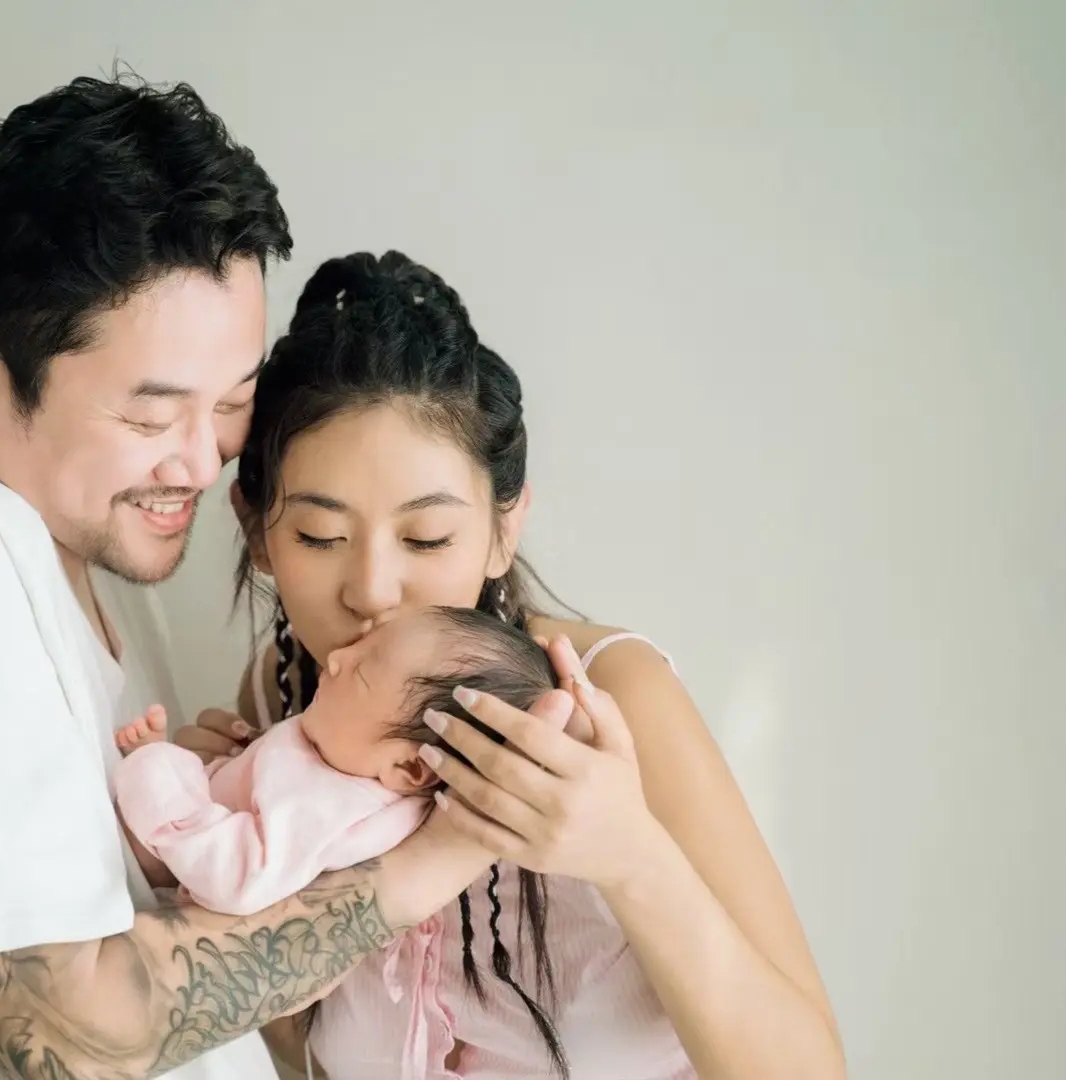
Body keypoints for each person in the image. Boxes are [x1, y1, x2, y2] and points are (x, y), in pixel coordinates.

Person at [0, 78, 520, 1080]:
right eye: (151, 416)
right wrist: (432, 858)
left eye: (231, 405)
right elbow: (70, 1040)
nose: (201, 464)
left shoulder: (61, 527)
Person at [176, 252, 846, 1079]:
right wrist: (205, 852)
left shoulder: (612, 696)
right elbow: (299, 1053)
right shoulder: (284, 700)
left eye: (427, 539)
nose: (374, 591)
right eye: (321, 537)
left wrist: (629, 856)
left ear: (504, 528)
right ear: (258, 533)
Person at [112, 607, 557, 920]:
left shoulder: (335, 803)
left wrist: (160, 779)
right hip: (176, 829)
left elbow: (238, 877)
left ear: (408, 769)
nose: (337, 658)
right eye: (361, 644)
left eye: (362, 671)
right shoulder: (345, 752)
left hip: (159, 866)